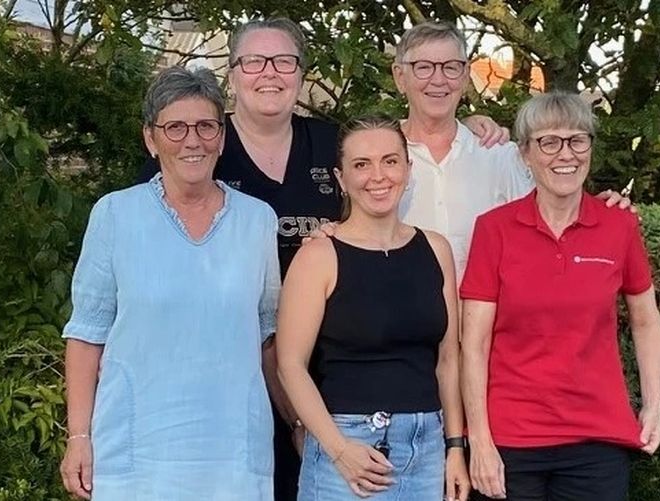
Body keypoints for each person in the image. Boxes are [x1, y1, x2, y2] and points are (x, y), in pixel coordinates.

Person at [137, 18, 509, 501]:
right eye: (255, 61)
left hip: (333, 375)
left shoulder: (328, 141)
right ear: (232, 72)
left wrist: (474, 126)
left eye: (284, 61)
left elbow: (379, 145)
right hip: (227, 365)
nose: (269, 72)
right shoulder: (202, 145)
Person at [59, 66, 280, 500]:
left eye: (205, 126)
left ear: (222, 137)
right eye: (175, 127)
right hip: (136, 451)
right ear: (151, 138)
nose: (192, 140)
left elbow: (268, 335)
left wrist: (297, 422)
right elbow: (86, 335)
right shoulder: (115, 215)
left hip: (234, 453)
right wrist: (78, 437)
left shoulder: (258, 220)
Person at [460, 91, 660, 501]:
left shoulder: (619, 226)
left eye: (577, 140)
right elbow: (474, 343)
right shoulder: (494, 229)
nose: (565, 154)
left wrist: (652, 406)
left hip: (597, 439)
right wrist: (479, 441)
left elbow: (645, 322)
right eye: (549, 142)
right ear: (525, 153)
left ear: (590, 147)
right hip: (510, 440)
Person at [277, 116, 470, 501]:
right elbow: (290, 365)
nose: (378, 176)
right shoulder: (319, 256)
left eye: (390, 161)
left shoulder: (436, 250)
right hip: (349, 449)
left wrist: (454, 448)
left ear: (408, 169)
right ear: (341, 178)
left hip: (427, 448)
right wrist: (338, 449)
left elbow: (449, 358)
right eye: (361, 165)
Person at [390, 22, 631, 279]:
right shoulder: (377, 161)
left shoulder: (499, 156)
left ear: (465, 74)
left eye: (450, 67)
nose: (438, 80)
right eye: (424, 67)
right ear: (400, 77)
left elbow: (552, 222)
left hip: (487, 306)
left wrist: (603, 210)